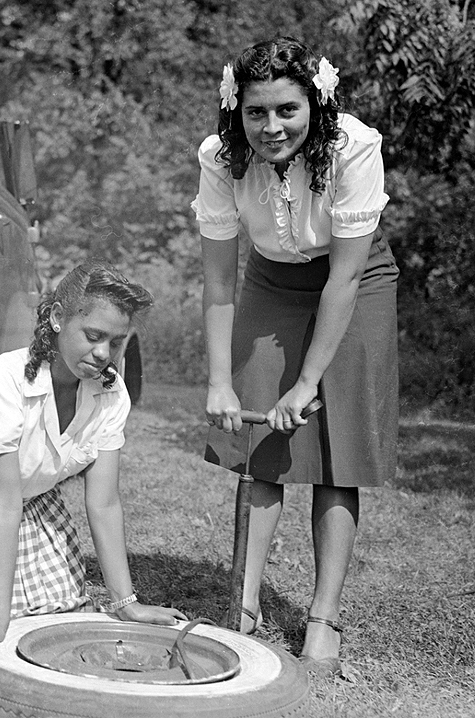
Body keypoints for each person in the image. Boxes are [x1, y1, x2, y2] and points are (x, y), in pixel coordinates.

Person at [192, 36, 398, 677]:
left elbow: (342, 279)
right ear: (237, 109)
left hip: (355, 286)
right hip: (270, 283)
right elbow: (220, 281)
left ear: (316, 102)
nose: (271, 127)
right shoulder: (220, 159)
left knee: (334, 455)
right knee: (262, 452)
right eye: (257, 112)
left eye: (287, 109)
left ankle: (322, 618)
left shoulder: (354, 148)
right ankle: (244, 611)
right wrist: (220, 382)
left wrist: (309, 380)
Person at [0, 261, 185, 664]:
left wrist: (126, 603)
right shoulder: (5, 380)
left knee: (56, 622)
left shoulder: (112, 395)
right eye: (93, 336)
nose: (103, 354)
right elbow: (4, 501)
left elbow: (104, 503)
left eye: (115, 342)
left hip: (34, 500)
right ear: (59, 318)